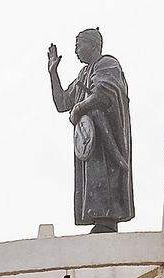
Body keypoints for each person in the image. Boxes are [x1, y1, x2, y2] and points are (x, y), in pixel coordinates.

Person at [46, 28, 134, 233]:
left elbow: (104, 93)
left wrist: (79, 108)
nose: (75, 50)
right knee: (92, 181)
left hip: (106, 138)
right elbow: (61, 103)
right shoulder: (82, 75)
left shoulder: (107, 64)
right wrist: (53, 73)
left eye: (79, 45)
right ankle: (100, 221)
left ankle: (107, 222)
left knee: (105, 178)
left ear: (93, 45)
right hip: (90, 140)